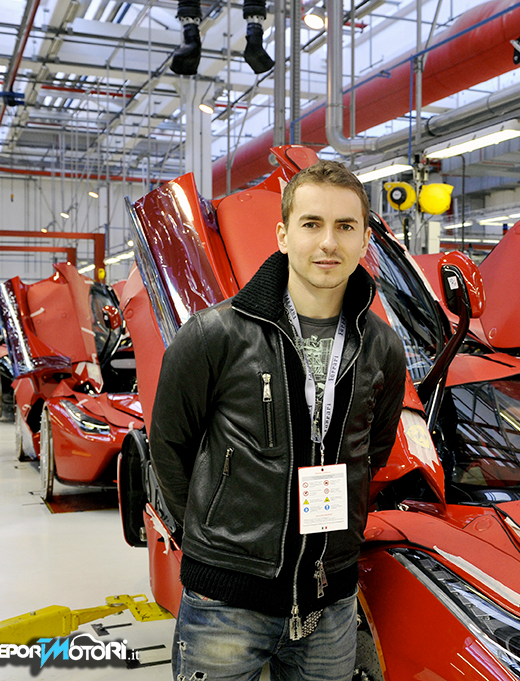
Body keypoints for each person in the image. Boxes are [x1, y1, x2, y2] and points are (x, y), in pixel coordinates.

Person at [149, 160, 407, 680]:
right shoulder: (215, 335)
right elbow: (170, 447)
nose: (328, 242)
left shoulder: (382, 346)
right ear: (283, 235)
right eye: (312, 224)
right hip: (226, 601)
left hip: (330, 600)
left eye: (345, 226)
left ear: (364, 242)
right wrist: (213, 538)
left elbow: (372, 450)